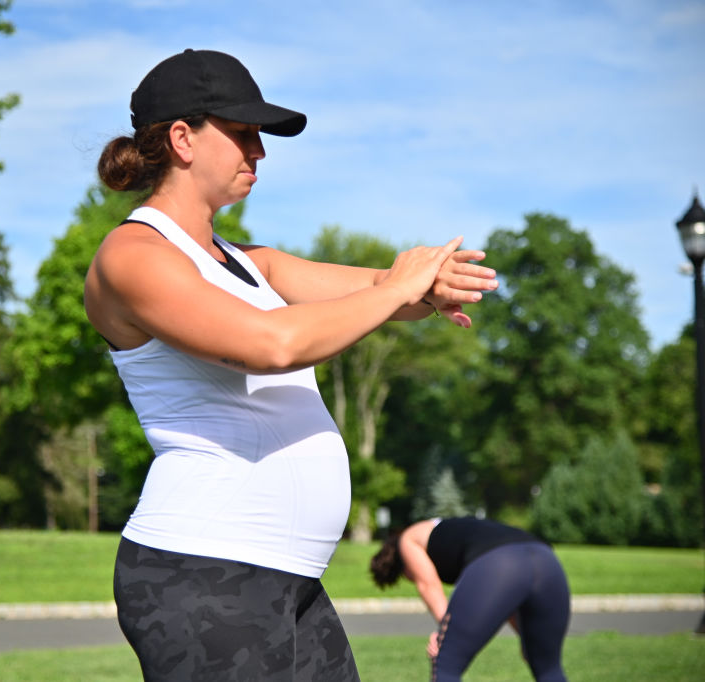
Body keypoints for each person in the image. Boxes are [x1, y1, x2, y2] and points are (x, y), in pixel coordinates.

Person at [84, 48, 499, 681]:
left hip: (287, 578)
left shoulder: (252, 262)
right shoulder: (132, 255)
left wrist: (426, 289)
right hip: (202, 575)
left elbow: (381, 296)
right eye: (244, 134)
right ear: (181, 138)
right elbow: (272, 344)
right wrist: (395, 289)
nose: (260, 152)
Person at [370, 517, 571, 682]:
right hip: (547, 561)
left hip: (499, 562)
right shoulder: (462, 527)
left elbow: (429, 585)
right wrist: (528, 638)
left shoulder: (409, 539)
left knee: (445, 663)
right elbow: (505, 594)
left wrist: (444, 635)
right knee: (549, 671)